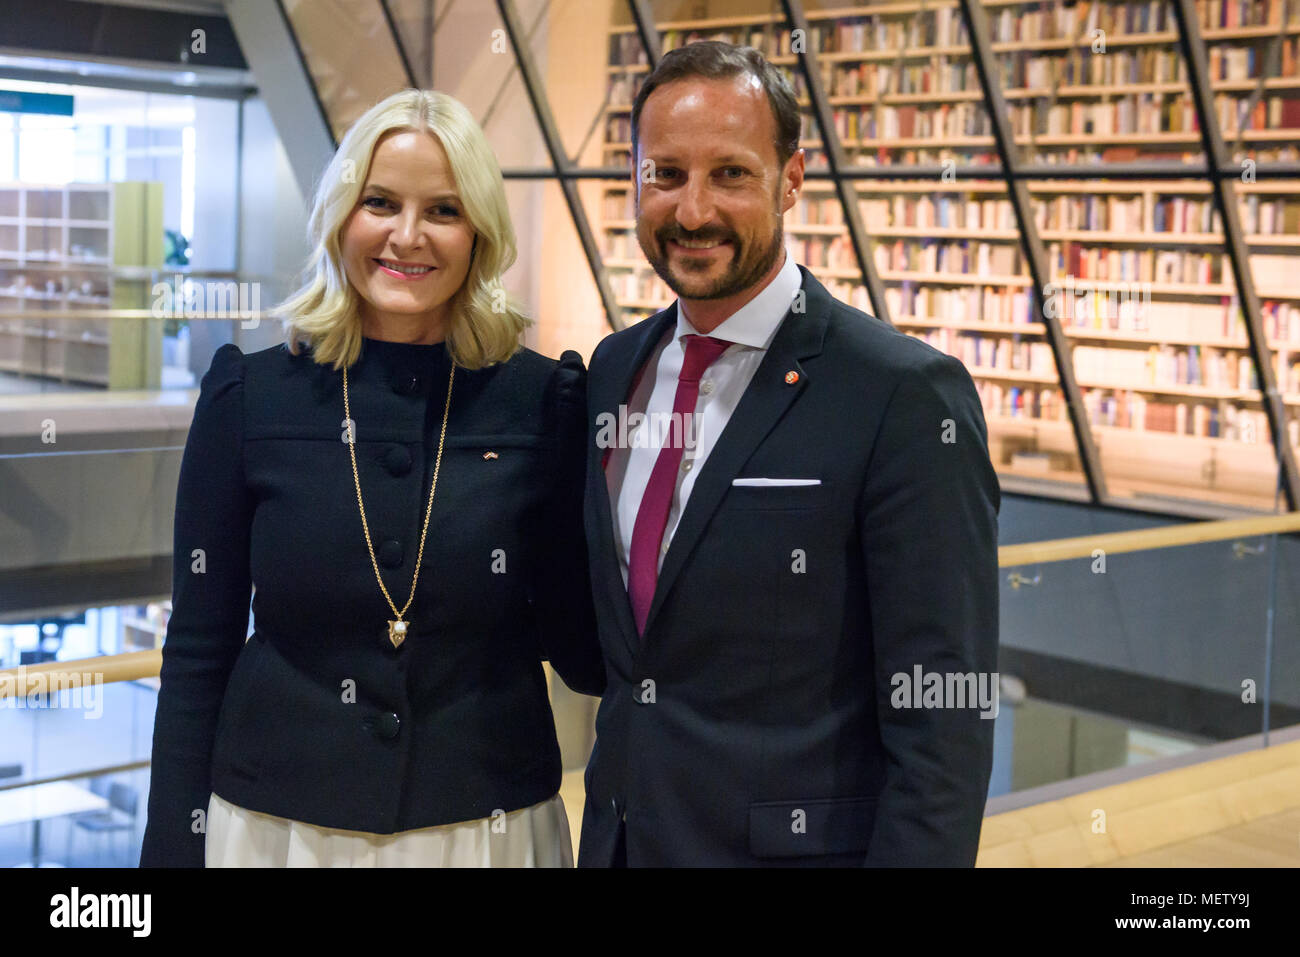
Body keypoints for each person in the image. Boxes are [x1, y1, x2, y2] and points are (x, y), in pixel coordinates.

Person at [141, 89, 604, 867]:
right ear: (340, 214)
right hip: (275, 829)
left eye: (444, 211)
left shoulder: (545, 401)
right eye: (380, 202)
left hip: (484, 829)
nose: (407, 236)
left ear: (480, 233)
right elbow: (196, 650)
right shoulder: (247, 398)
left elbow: (580, 640)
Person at [577, 41, 1000, 867]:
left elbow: (943, 726)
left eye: (729, 173)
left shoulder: (902, 394)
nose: (691, 210)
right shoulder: (612, 372)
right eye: (664, 173)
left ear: (793, 179)